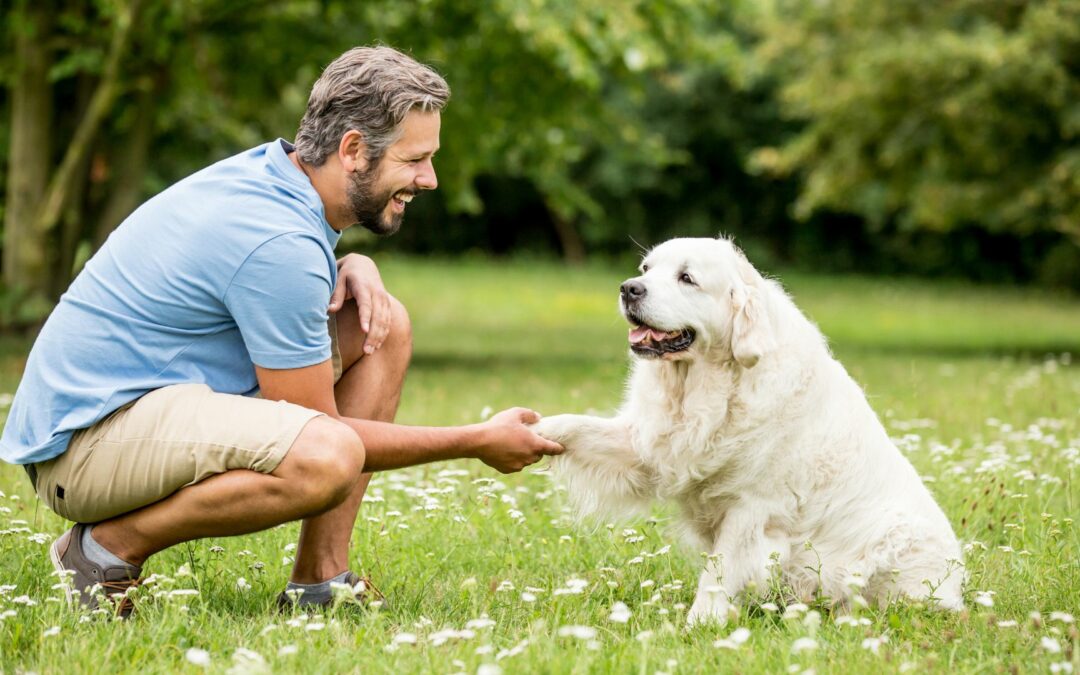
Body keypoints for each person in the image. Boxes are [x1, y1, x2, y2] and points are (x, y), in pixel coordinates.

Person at [0, 45, 563, 616]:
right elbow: (319, 428)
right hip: (82, 448)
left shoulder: (278, 177)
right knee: (326, 455)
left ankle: (320, 581)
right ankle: (101, 553)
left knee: (382, 325)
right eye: (414, 159)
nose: (430, 179)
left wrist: (351, 265)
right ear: (352, 150)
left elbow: (258, 279)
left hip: (131, 409)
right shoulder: (278, 240)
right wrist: (474, 440)